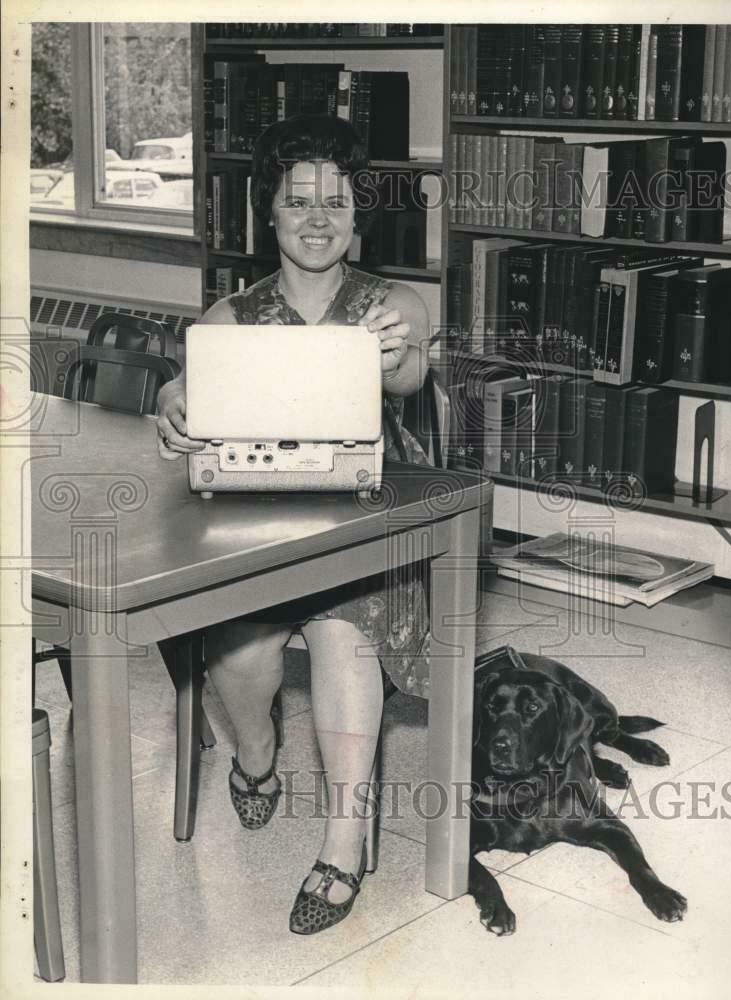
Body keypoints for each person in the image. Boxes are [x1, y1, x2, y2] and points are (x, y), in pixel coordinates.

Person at [155, 114, 432, 935]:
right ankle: (256, 755)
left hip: (365, 534)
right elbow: (185, 386)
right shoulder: (233, 313)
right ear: (268, 214)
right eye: (298, 201)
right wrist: (174, 405)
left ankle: (341, 848)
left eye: (336, 202)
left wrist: (395, 358)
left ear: (357, 217)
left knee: (346, 639)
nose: (318, 218)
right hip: (261, 531)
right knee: (237, 647)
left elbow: (413, 371)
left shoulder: (393, 304)